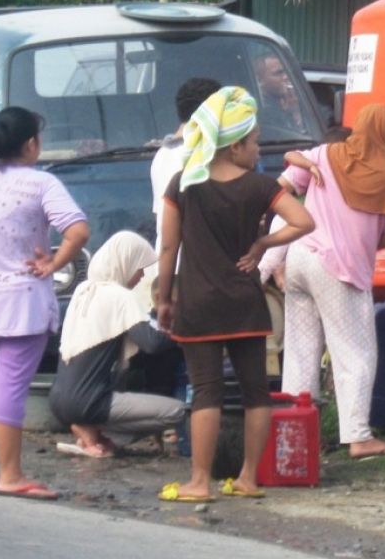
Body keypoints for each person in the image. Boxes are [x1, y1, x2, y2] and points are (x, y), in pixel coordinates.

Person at [155, 87, 314, 502]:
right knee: (254, 391)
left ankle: (199, 481)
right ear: (235, 145)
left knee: (205, 391)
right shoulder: (260, 187)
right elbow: (303, 221)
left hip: (198, 302)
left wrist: (163, 298)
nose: (258, 148)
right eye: (255, 140)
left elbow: (168, 247)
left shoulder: (184, 183)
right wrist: (262, 244)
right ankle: (247, 478)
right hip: (245, 301)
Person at [0, 107, 90, 500]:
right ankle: (10, 475)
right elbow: (78, 229)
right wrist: (54, 263)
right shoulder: (41, 184)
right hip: (20, 303)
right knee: (9, 386)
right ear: (30, 144)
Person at [278, 103, 385, 459]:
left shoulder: (325, 153)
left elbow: (284, 185)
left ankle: (296, 437)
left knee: (301, 352)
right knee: (356, 354)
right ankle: (358, 437)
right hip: (341, 271)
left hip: (300, 259)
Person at [49, 231, 185, 458]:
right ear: (125, 263)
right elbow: (151, 343)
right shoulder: (119, 296)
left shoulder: (83, 291)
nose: (142, 275)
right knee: (177, 411)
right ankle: (102, 436)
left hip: (58, 400)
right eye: (139, 267)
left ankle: (91, 437)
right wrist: (179, 331)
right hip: (88, 401)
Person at [151, 77, 222, 253]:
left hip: (167, 262)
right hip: (194, 266)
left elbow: (159, 217)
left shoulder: (162, 155)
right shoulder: (201, 156)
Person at [254, 53, 305, 132]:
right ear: (260, 80)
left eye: (286, 72)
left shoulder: (287, 103)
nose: (286, 77)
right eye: (278, 73)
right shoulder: (263, 111)